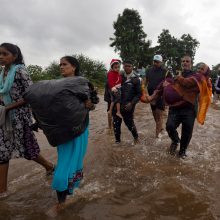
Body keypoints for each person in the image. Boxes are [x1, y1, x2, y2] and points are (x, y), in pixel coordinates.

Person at [0, 43, 54, 193]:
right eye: (0, 54)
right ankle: (2, 192)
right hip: (4, 117)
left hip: (20, 117)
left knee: (27, 149)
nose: (1, 57)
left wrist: (8, 107)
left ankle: (50, 167)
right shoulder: (2, 73)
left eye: (5, 54)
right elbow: (3, 94)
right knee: (2, 151)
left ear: (15, 56)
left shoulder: (21, 71)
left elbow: (31, 95)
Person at [51, 56, 97, 208]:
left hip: (80, 127)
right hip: (63, 129)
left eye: (65, 64)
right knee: (65, 160)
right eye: (60, 65)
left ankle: (69, 193)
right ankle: (62, 201)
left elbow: (92, 105)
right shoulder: (56, 85)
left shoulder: (83, 84)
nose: (61, 67)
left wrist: (89, 104)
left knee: (75, 159)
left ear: (74, 67)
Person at [148, 59, 212, 158]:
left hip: (189, 109)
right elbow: (169, 85)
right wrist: (165, 87)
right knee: (169, 126)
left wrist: (176, 80)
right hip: (175, 108)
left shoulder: (196, 76)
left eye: (187, 61)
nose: (185, 63)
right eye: (183, 61)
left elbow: (188, 83)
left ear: (191, 64)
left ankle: (182, 152)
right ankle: (175, 140)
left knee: (187, 132)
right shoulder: (175, 76)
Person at [112, 60, 141, 144]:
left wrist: (132, 104)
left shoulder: (136, 79)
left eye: (129, 66)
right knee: (116, 125)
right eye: (125, 66)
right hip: (117, 105)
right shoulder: (119, 76)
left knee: (130, 124)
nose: (127, 67)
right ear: (123, 67)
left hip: (128, 106)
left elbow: (139, 94)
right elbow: (111, 86)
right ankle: (117, 142)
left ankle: (136, 138)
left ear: (132, 67)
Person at [142, 55, 169, 138]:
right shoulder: (149, 70)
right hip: (151, 96)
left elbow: (169, 84)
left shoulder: (165, 71)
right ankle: (160, 129)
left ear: (161, 62)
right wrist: (144, 93)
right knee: (155, 115)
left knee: (159, 115)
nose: (155, 63)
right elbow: (144, 83)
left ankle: (157, 137)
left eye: (157, 62)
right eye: (154, 61)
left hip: (161, 96)